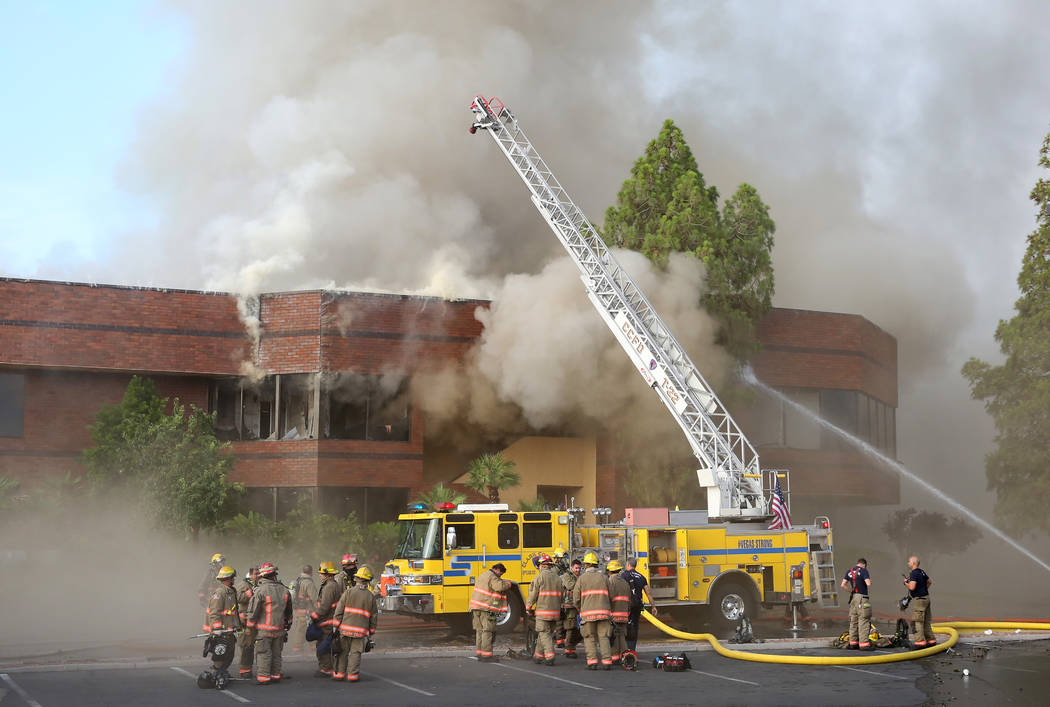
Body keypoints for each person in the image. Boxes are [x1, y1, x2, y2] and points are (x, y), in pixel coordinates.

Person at [246, 562, 292, 685]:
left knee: (263, 653)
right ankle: (276, 675)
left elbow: (253, 611)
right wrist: (287, 626)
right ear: (274, 575)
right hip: (279, 629)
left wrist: (249, 627)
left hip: (264, 630)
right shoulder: (284, 590)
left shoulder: (260, 591)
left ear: (263, 576)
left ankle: (264, 677)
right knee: (276, 654)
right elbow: (289, 612)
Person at [331, 565, 378, 682]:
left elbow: (338, 611)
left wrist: (335, 627)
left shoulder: (348, 592)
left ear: (356, 579)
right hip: (360, 631)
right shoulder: (370, 597)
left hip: (345, 629)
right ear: (368, 580)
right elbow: (374, 617)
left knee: (342, 652)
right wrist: (371, 632)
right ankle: (352, 676)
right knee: (355, 653)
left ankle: (339, 675)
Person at [572, 552, 612, 670]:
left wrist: (581, 609)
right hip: (604, 613)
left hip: (587, 614)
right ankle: (607, 662)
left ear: (585, 565)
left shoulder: (581, 579)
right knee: (604, 637)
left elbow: (576, 598)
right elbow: (611, 595)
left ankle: (592, 662)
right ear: (596, 565)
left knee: (589, 638)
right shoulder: (604, 578)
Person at [470, 562, 512, 662]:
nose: (500, 576)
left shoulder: (483, 575)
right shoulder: (493, 577)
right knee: (488, 630)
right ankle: (486, 655)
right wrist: (508, 584)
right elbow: (499, 587)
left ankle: (480, 653)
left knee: (479, 630)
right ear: (497, 570)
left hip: (476, 608)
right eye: (501, 574)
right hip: (489, 609)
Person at [525, 553, 561, 666]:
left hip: (543, 612)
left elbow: (533, 594)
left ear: (541, 565)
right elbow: (562, 594)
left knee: (543, 632)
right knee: (545, 633)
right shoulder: (558, 578)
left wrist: (528, 607)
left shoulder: (539, 577)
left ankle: (550, 656)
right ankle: (538, 656)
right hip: (555, 612)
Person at [205, 566, 241, 680]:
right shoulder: (220, 593)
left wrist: (237, 626)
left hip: (229, 630)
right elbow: (214, 613)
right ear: (228, 578)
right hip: (222, 632)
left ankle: (222, 672)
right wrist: (217, 629)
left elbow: (233, 612)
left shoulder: (231, 592)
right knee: (220, 654)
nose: (234, 579)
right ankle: (215, 673)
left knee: (229, 654)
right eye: (232, 577)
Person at [310, 562, 342, 678]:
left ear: (328, 574)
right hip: (327, 621)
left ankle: (326, 669)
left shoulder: (330, 587)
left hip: (327, 622)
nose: (320, 575)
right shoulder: (330, 585)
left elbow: (325, 606)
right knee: (324, 645)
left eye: (322, 573)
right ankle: (326, 667)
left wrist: (314, 616)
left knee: (323, 646)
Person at [623, 557, 656, 653]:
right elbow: (648, 593)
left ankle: (624, 651)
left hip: (626, 606)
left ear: (628, 565)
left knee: (624, 627)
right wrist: (653, 606)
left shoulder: (623, 576)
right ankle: (632, 650)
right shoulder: (641, 577)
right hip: (637, 606)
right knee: (634, 627)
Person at [840, 557, 873, 650]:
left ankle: (853, 643)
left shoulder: (849, 571)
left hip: (853, 598)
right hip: (862, 598)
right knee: (864, 620)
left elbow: (842, 585)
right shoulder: (864, 571)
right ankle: (864, 644)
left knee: (853, 620)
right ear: (864, 565)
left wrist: (851, 591)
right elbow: (868, 583)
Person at [904, 556, 935, 648]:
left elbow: (912, 587)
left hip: (920, 600)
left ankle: (920, 642)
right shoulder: (921, 571)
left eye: (909, 561)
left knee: (917, 621)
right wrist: (923, 589)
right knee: (926, 621)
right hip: (926, 598)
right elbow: (929, 582)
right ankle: (931, 640)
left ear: (913, 563)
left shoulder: (913, 573)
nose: (908, 563)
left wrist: (906, 583)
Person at [234, 566, 259, 679]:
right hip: (244, 622)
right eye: (256, 573)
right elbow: (238, 598)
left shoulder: (256, 585)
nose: (259, 575)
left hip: (253, 621)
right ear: (251, 575)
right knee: (246, 646)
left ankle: (250, 668)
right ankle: (245, 670)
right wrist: (250, 593)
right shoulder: (244, 585)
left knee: (251, 646)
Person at [606, 560, 631, 664]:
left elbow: (608, 598)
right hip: (624, 614)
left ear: (610, 571)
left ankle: (615, 658)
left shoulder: (610, 581)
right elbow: (629, 600)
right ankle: (626, 656)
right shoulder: (625, 583)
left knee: (615, 637)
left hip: (614, 614)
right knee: (622, 636)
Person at [288, 565, 317, 653]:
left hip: (298, 610)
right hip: (307, 610)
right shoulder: (308, 583)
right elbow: (314, 597)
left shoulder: (298, 580)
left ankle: (298, 648)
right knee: (307, 628)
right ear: (311, 572)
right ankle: (312, 648)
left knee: (300, 628)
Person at [560, 558, 583, 658]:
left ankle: (571, 647)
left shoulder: (580, 577)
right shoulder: (567, 576)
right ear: (571, 568)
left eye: (579, 568)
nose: (578, 570)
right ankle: (569, 650)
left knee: (577, 629)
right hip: (569, 607)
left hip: (577, 606)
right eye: (576, 568)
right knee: (571, 627)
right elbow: (570, 586)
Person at [198, 553, 225, 632]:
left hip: (222, 598)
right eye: (220, 562)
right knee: (212, 615)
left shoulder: (223, 572)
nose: (222, 564)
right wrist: (203, 599)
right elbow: (202, 587)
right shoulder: (210, 573)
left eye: (223, 562)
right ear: (215, 563)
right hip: (212, 599)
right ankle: (211, 632)